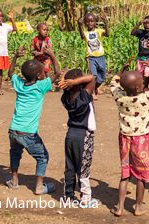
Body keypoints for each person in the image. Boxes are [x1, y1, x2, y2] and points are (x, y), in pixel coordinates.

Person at [110, 61, 149, 217]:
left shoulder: (119, 97)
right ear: (137, 88)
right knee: (141, 176)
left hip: (125, 139)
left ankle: (120, 208)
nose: (144, 85)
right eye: (142, 83)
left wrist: (121, 70)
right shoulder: (145, 98)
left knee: (125, 174)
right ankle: (138, 207)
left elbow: (113, 84)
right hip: (142, 139)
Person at [6, 46, 60, 195]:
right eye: (43, 71)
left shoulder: (19, 84)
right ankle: (39, 187)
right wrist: (52, 55)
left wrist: (16, 56)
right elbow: (58, 73)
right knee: (43, 157)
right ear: (38, 75)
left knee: (15, 152)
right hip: (28, 133)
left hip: (13, 130)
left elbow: (10, 73)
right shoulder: (40, 87)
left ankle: (14, 181)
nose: (45, 72)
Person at [57, 69, 98, 205]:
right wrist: (74, 81)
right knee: (83, 167)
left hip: (70, 135)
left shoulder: (66, 98)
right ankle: (85, 198)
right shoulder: (83, 97)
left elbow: (81, 82)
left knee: (70, 167)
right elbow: (92, 78)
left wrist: (67, 81)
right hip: (84, 135)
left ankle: (68, 196)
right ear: (80, 84)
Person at [78, 13, 109, 99]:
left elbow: (107, 34)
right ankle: (92, 93)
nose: (90, 23)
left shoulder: (99, 31)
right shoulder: (85, 33)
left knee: (102, 77)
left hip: (101, 57)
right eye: (87, 21)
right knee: (93, 76)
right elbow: (81, 36)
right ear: (85, 23)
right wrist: (79, 25)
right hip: (91, 58)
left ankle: (95, 88)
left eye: (92, 21)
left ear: (95, 22)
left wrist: (106, 22)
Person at [130, 16, 149, 89]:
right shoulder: (141, 32)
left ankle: (145, 87)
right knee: (140, 73)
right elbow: (132, 33)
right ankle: (141, 86)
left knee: (148, 72)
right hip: (140, 57)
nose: (147, 25)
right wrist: (139, 23)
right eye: (145, 23)